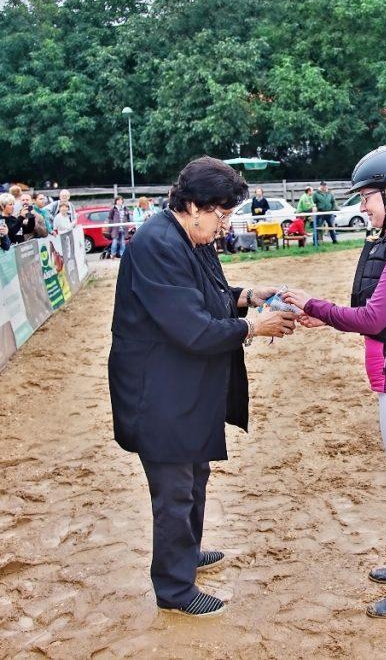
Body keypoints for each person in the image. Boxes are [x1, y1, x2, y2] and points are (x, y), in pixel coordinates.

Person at [108, 156, 297, 617]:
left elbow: (207, 295)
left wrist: (247, 296)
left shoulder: (191, 238)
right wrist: (253, 327)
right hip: (158, 392)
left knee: (194, 476)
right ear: (193, 205)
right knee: (174, 490)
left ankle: (187, 552)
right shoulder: (157, 243)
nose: (224, 225)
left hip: (184, 388)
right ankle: (174, 589)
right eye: (222, 214)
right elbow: (191, 326)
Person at [282, 146, 386, 619]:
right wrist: (328, 317)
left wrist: (314, 305)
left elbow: (375, 317)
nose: (363, 206)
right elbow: (375, 310)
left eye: (367, 197)